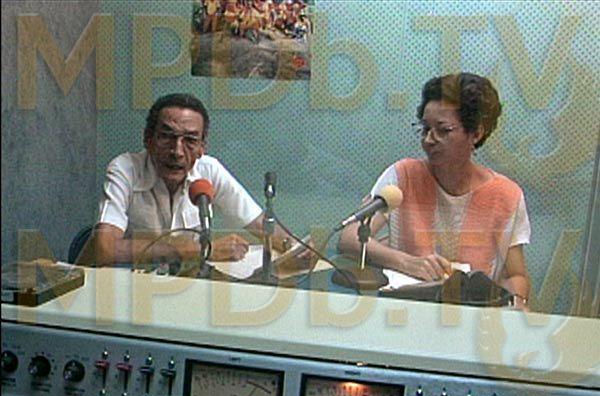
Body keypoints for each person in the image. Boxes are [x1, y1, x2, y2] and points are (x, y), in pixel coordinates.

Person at [338, 73, 531, 309]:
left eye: (443, 130)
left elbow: (515, 274)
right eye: (425, 129)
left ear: (476, 133)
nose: (429, 139)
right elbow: (349, 239)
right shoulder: (403, 175)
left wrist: (517, 303)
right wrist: (408, 263)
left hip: (474, 315)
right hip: (406, 310)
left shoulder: (506, 195)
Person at [81, 93, 294, 268]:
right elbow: (104, 248)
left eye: (190, 140)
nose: (177, 152)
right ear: (148, 139)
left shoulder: (209, 171)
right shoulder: (125, 169)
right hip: (130, 284)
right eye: (167, 137)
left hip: (186, 284)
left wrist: (293, 248)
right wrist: (202, 249)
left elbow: (261, 225)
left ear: (202, 147)